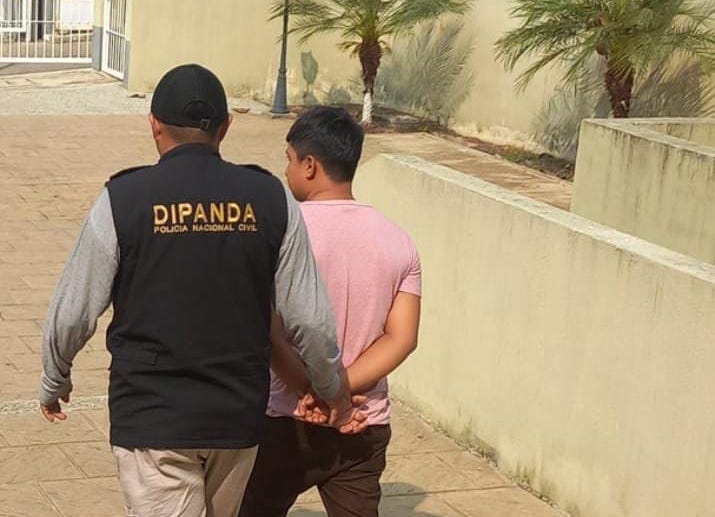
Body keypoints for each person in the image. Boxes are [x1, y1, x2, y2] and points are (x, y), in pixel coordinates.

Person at [38, 64, 362, 517]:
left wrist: (55, 377)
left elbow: (73, 312)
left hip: (152, 420)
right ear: (226, 127)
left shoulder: (122, 200)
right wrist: (331, 389)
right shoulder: (270, 198)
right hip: (236, 417)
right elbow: (308, 317)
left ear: (153, 124)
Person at [240, 106, 422, 517]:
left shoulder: (280, 232)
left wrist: (315, 392)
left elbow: (266, 329)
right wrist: (339, 394)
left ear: (309, 165)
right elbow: (402, 337)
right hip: (362, 420)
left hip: (284, 417)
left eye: (289, 160)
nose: (287, 170)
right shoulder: (399, 241)